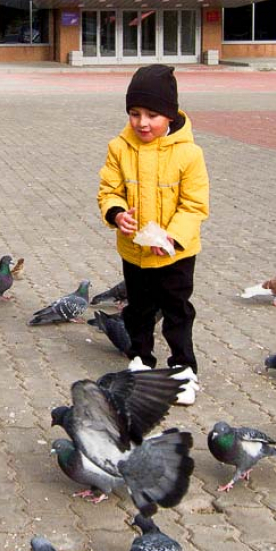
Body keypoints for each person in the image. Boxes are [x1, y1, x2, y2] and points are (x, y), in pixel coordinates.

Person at [97, 64, 209, 393]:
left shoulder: (190, 153)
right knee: (138, 308)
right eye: (134, 113)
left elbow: (195, 205)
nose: (142, 123)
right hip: (134, 250)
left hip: (176, 253)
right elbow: (109, 190)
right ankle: (141, 359)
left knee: (177, 310)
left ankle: (183, 369)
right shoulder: (119, 147)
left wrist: (172, 236)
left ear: (170, 116)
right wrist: (116, 213)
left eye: (152, 114)